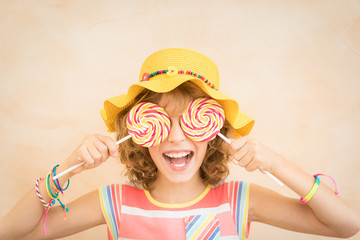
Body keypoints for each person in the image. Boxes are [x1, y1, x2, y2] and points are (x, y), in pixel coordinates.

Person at [0, 48, 359, 240]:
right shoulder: (113, 203)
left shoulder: (239, 200)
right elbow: (14, 233)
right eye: (162, 120)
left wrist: (277, 164)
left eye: (190, 120)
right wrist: (67, 167)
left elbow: (346, 225)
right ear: (139, 131)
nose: (175, 136)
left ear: (213, 128)